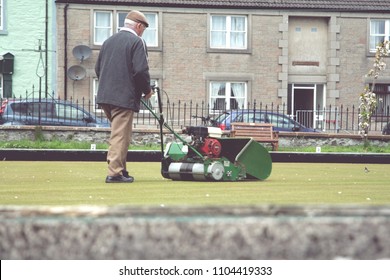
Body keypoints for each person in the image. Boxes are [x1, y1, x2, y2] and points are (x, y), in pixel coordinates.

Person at [95, 10, 153, 183]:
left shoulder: (108, 41)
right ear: (138, 26)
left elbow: (98, 69)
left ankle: (121, 169)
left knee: (121, 133)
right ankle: (115, 173)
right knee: (120, 135)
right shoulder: (137, 41)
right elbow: (141, 70)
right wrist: (147, 90)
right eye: (143, 28)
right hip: (123, 97)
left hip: (105, 96)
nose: (142, 32)